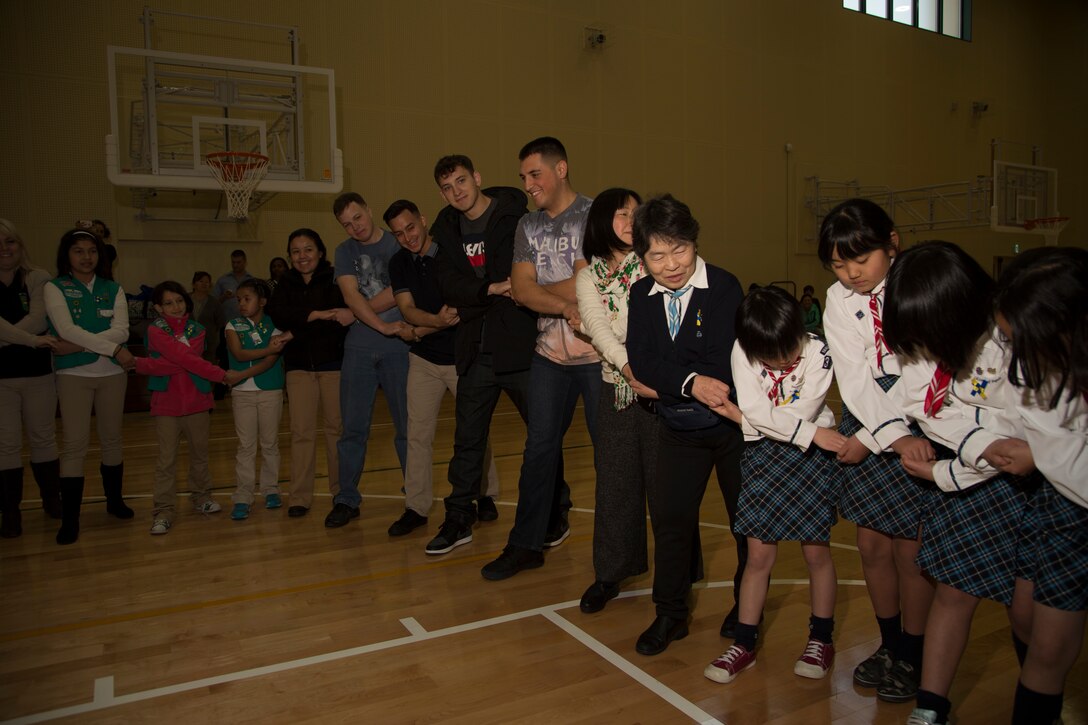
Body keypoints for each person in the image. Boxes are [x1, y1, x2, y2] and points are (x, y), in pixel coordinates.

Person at [876, 241, 1041, 725]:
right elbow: (924, 408)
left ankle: (1040, 698)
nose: (924, 346)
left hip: (1029, 485)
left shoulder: (1015, 339)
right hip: (969, 477)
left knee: (1027, 611)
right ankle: (930, 708)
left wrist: (952, 468)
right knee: (953, 591)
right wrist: (974, 447)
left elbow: (1023, 443)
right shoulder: (929, 336)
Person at [818, 198, 937, 703]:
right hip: (870, 415)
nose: (851, 274)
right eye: (839, 265)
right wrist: (877, 434)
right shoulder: (837, 299)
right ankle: (890, 644)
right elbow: (853, 377)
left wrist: (877, 438)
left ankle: (915, 650)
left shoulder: (920, 285)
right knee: (870, 545)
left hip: (924, 414)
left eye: (859, 260)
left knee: (911, 550)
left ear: (892, 244)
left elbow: (922, 374)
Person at [625, 194, 748, 656]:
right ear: (643, 258)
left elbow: (723, 365)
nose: (671, 264)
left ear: (694, 243)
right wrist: (691, 383)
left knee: (745, 525)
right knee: (672, 523)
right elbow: (641, 363)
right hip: (677, 429)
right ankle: (670, 612)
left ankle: (745, 606)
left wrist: (672, 380)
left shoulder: (724, 288)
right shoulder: (641, 294)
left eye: (679, 250)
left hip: (732, 430)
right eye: (657, 255)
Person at [704, 286, 845, 683]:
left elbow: (796, 410)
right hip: (767, 455)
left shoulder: (819, 351)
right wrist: (758, 420)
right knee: (758, 557)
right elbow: (757, 411)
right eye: (772, 356)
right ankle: (744, 644)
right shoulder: (742, 349)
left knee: (817, 554)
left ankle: (821, 639)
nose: (784, 360)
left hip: (811, 459)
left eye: (788, 349)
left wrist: (746, 419)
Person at [479, 136, 602, 581]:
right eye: (523, 177)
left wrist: (539, 292)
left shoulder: (595, 216)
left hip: (598, 356)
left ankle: (610, 558)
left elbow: (582, 286)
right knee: (539, 450)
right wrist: (560, 298)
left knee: (610, 454)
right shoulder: (527, 227)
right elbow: (525, 291)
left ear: (561, 169)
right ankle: (525, 544)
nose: (528, 185)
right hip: (549, 355)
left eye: (535, 174)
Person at [424, 154, 542, 555]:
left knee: (542, 437)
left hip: (519, 347)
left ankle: (554, 512)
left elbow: (522, 275)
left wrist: (478, 291)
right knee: (467, 442)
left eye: (461, 181)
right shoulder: (446, 230)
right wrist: (489, 289)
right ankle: (458, 519)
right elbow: (447, 285)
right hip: (475, 350)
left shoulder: (515, 218)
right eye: (447, 187)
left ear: (477, 177)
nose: (456, 191)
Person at [992, 247, 1087, 725]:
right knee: (1032, 627)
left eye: (1020, 342)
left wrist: (1040, 456)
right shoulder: (1045, 370)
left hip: (1072, 498)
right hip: (1055, 501)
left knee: (1049, 647)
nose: (1015, 356)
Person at [382, 200, 501, 537]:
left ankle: (485, 493)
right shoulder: (399, 263)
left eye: (411, 228)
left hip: (462, 358)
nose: (407, 237)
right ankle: (416, 507)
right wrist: (430, 323)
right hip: (422, 361)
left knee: (473, 431)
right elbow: (408, 310)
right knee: (416, 435)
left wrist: (421, 329)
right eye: (399, 233)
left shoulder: (452, 254)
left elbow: (461, 310)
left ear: (422, 220)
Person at [572, 187, 658, 613]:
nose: (630, 221)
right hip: (618, 388)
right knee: (615, 484)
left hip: (664, 392)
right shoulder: (588, 277)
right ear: (602, 221)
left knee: (668, 489)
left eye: (636, 214)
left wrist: (639, 362)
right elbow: (597, 326)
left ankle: (679, 576)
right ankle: (610, 573)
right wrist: (628, 366)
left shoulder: (655, 264)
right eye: (621, 214)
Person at [44, 228, 136, 545]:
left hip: (111, 375)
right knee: (74, 445)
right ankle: (70, 519)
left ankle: (114, 502)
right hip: (73, 377)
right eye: (79, 251)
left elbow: (122, 330)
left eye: (92, 251)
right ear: (66, 255)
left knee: (112, 439)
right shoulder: (55, 288)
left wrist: (80, 346)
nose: (86, 257)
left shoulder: (113, 288)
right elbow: (65, 328)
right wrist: (107, 347)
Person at [131, 281, 245, 534]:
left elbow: (184, 362)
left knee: (200, 456)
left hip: (197, 402)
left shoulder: (197, 329)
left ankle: (202, 498)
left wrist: (144, 364)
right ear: (159, 308)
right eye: (168, 303)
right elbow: (184, 360)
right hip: (166, 405)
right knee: (166, 460)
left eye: (179, 301)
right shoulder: (155, 330)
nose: (175, 307)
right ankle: (163, 510)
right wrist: (221, 375)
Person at [328, 192, 410, 528]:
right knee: (353, 428)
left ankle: (415, 495)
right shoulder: (344, 251)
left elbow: (397, 291)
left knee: (408, 427)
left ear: (369, 211)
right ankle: (346, 498)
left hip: (399, 349)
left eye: (357, 218)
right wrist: (380, 326)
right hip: (359, 349)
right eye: (346, 224)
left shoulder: (396, 244)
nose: (354, 228)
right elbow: (350, 294)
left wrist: (358, 314)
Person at [266, 229, 349, 518]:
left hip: (333, 366)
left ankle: (342, 494)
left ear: (320, 252)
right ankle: (300, 496)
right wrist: (316, 314)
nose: (302, 256)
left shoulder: (336, 279)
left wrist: (296, 327)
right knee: (301, 433)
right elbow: (278, 315)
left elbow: (341, 318)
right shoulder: (284, 283)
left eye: (308, 249)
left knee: (336, 432)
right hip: (299, 368)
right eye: (296, 251)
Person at [0, 219, 60, 537]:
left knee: (43, 438)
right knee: (6, 444)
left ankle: (52, 501)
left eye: (10, 241)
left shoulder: (38, 277)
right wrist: (32, 340)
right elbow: (34, 332)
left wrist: (13, 338)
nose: (4, 249)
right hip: (2, 381)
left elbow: (39, 319)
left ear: (20, 244)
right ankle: (10, 512)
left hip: (38, 374)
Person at [225, 279, 286, 520]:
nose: (241, 303)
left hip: (270, 389)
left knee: (270, 443)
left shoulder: (276, 324)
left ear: (262, 301)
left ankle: (271, 489)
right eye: (238, 299)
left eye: (247, 299)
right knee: (246, 446)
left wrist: (240, 374)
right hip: (242, 394)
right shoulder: (232, 324)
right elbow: (239, 353)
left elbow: (271, 361)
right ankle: (243, 495)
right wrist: (270, 349)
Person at [190, 272, 225, 366]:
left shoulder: (214, 302)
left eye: (207, 282)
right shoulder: (185, 300)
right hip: (188, 341)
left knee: (208, 367)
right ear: (194, 284)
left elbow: (221, 323)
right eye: (201, 281)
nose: (204, 284)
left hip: (209, 343)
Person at [214, 249, 253, 322]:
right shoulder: (223, 280)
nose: (235, 265)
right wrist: (224, 297)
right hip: (227, 322)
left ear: (245, 262)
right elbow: (213, 303)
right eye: (233, 262)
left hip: (248, 321)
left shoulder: (251, 280)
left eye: (238, 262)